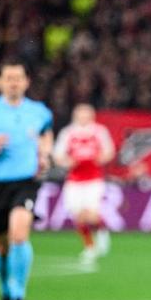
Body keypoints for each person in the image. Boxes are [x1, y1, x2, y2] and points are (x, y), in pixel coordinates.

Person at [0, 61, 53, 300]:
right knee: (2, 245)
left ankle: (18, 296)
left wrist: (45, 154)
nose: (14, 82)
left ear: (26, 82)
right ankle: (6, 291)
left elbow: (46, 134)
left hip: (26, 181)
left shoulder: (40, 111)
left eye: (18, 78)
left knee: (19, 235)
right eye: (9, 78)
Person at [53, 103, 115, 265]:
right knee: (79, 215)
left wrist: (100, 158)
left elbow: (109, 151)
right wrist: (67, 162)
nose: (83, 117)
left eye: (86, 114)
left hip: (94, 179)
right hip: (74, 180)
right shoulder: (68, 132)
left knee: (91, 214)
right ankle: (89, 247)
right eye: (80, 114)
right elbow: (58, 155)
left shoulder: (99, 131)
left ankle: (102, 231)